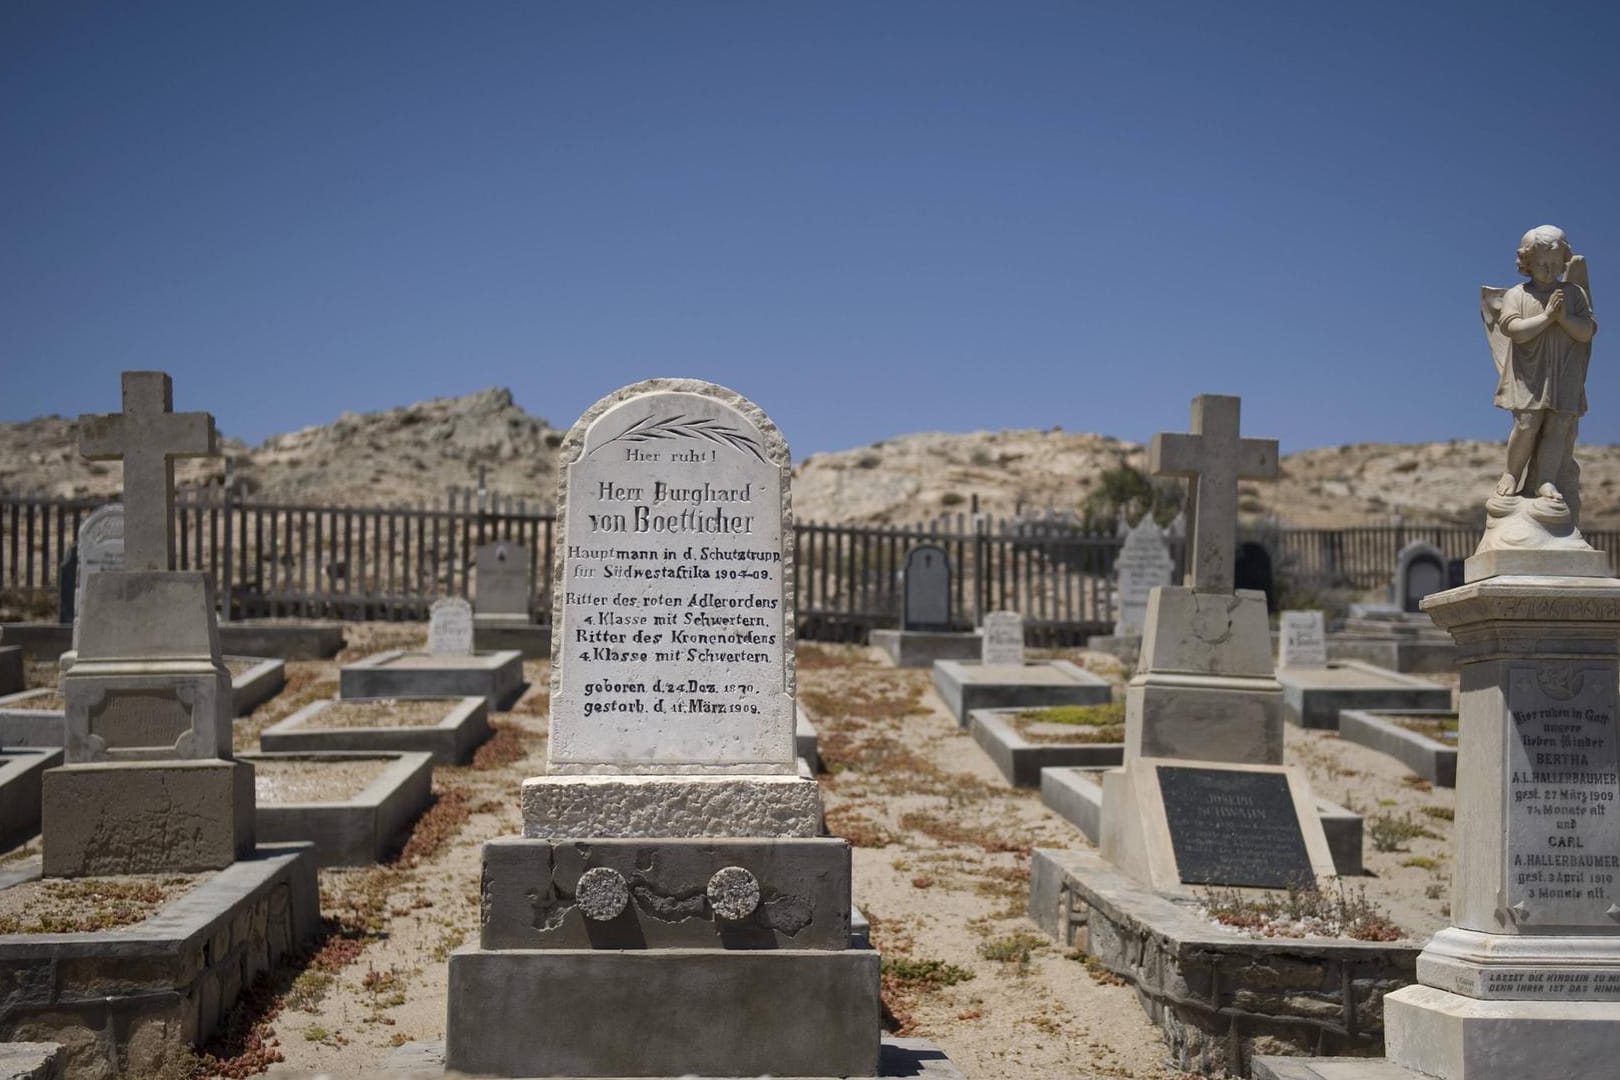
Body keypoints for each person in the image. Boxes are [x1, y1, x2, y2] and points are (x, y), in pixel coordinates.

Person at [1482, 225, 1597, 513]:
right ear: (1527, 263)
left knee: (1558, 425)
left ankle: (1546, 479)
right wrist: (1548, 317)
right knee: (1527, 423)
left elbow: (1586, 331)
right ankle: (1512, 472)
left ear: (1563, 262)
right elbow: (1515, 331)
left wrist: (1565, 319)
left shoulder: (1573, 294)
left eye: (1554, 264)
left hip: (1565, 370)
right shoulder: (1518, 294)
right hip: (1530, 372)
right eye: (1541, 264)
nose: (1548, 269)